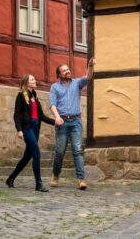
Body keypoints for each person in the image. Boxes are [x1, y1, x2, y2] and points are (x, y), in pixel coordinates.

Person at [49, 57, 96, 190]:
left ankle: (81, 179)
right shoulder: (55, 87)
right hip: (62, 122)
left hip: (76, 121)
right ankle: (55, 175)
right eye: (63, 71)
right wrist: (57, 117)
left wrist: (90, 65)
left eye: (67, 69)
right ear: (59, 74)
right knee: (60, 151)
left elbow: (88, 77)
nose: (67, 72)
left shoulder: (76, 83)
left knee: (77, 150)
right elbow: (52, 104)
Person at [6, 74, 55, 192]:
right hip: (27, 129)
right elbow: (16, 115)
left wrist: (56, 122)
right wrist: (19, 130)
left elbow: (41, 116)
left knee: (27, 157)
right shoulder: (21, 96)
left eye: (34, 78)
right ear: (26, 83)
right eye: (32, 79)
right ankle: (39, 184)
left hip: (35, 129)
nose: (35, 80)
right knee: (37, 153)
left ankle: (11, 178)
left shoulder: (34, 96)